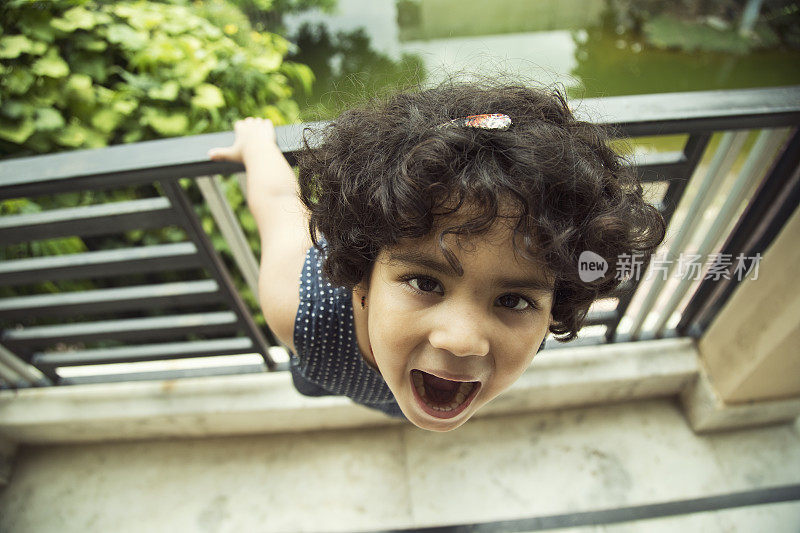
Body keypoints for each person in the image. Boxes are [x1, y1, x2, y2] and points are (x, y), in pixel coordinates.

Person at [207, 81, 665, 432]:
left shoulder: (525, 330)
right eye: (425, 282)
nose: (462, 341)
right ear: (362, 277)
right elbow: (278, 203)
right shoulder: (297, 310)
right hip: (330, 366)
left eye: (512, 301)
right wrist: (256, 145)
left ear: (554, 307)